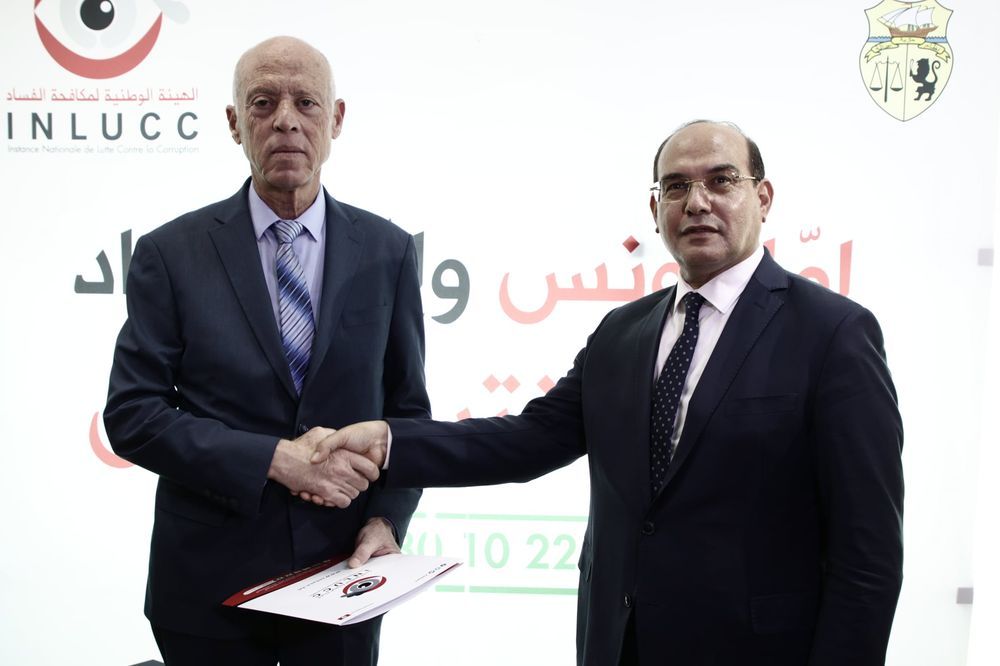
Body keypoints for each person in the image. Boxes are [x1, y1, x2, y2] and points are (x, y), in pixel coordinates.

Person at [311, 121, 904, 665]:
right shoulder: (623, 331)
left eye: (721, 181)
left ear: (763, 197)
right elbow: (529, 439)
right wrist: (389, 443)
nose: (697, 202)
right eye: (676, 186)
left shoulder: (833, 333)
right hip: (618, 645)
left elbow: (869, 554)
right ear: (655, 209)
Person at [103, 36, 430, 665]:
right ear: (234, 123)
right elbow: (133, 416)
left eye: (306, 102)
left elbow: (407, 412)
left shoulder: (388, 250)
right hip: (206, 587)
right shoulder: (169, 254)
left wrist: (388, 520)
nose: (285, 120)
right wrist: (276, 460)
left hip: (343, 581)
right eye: (262, 102)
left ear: (335, 120)